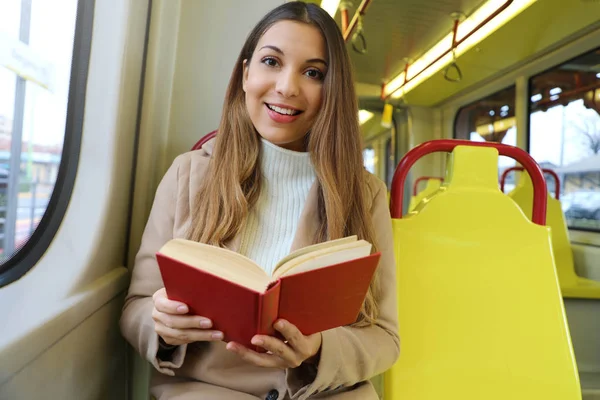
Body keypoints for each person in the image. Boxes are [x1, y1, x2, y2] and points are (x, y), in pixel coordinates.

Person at [119, 2, 399, 399]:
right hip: (207, 391)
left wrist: (318, 350)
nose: (287, 87)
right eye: (272, 62)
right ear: (246, 72)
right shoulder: (187, 175)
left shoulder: (365, 194)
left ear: (332, 92)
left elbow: (385, 338)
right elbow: (135, 308)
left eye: (313, 73)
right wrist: (160, 324)